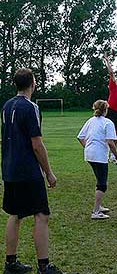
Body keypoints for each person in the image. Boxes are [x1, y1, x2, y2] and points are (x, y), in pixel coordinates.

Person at [1, 68, 65, 274]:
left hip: (10, 169)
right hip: (28, 171)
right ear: (33, 83)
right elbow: (37, 144)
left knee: (15, 214)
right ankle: (44, 267)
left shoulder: (6, 106)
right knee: (41, 214)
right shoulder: (31, 107)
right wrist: (49, 172)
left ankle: (10, 263)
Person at [77, 100, 117, 220]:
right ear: (105, 110)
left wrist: (88, 147)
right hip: (99, 156)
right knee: (102, 184)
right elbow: (111, 142)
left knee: (99, 179)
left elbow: (80, 137)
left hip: (90, 154)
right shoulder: (108, 122)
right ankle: (95, 212)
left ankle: (99, 206)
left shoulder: (91, 121)